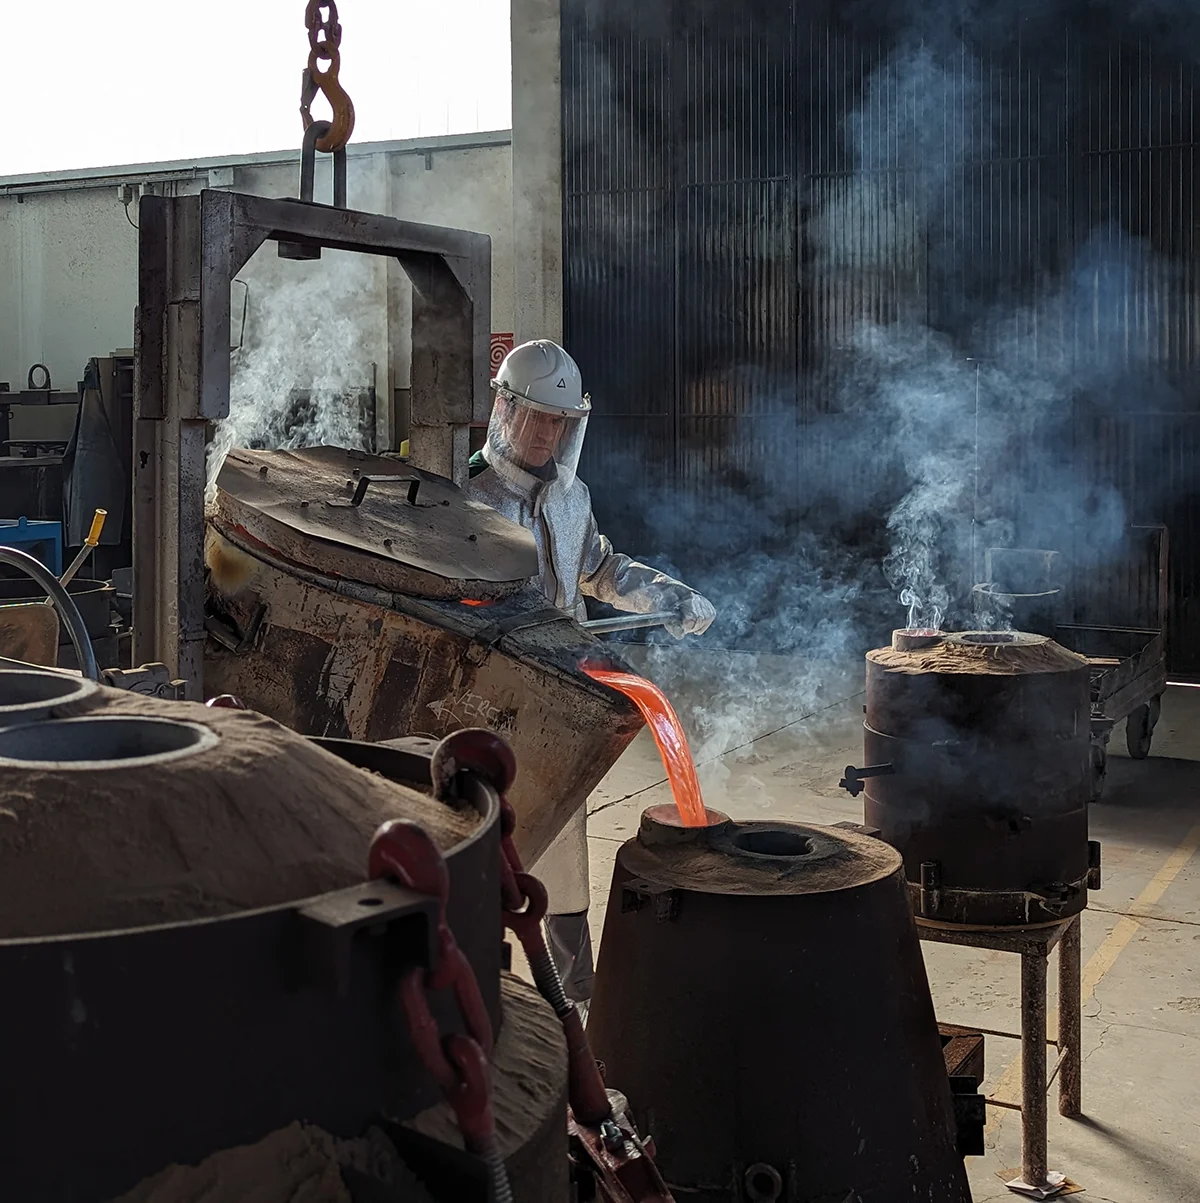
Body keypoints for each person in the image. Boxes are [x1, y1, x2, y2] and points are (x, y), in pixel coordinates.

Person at [466, 338, 715, 1014]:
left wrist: (668, 594)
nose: (548, 433)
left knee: (563, 855)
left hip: (562, 702)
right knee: (484, 845)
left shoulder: (573, 500)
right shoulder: (466, 500)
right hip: (488, 705)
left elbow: (599, 567)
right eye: (538, 417)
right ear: (505, 410)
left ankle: (575, 1004)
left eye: (561, 422)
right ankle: (482, 995)